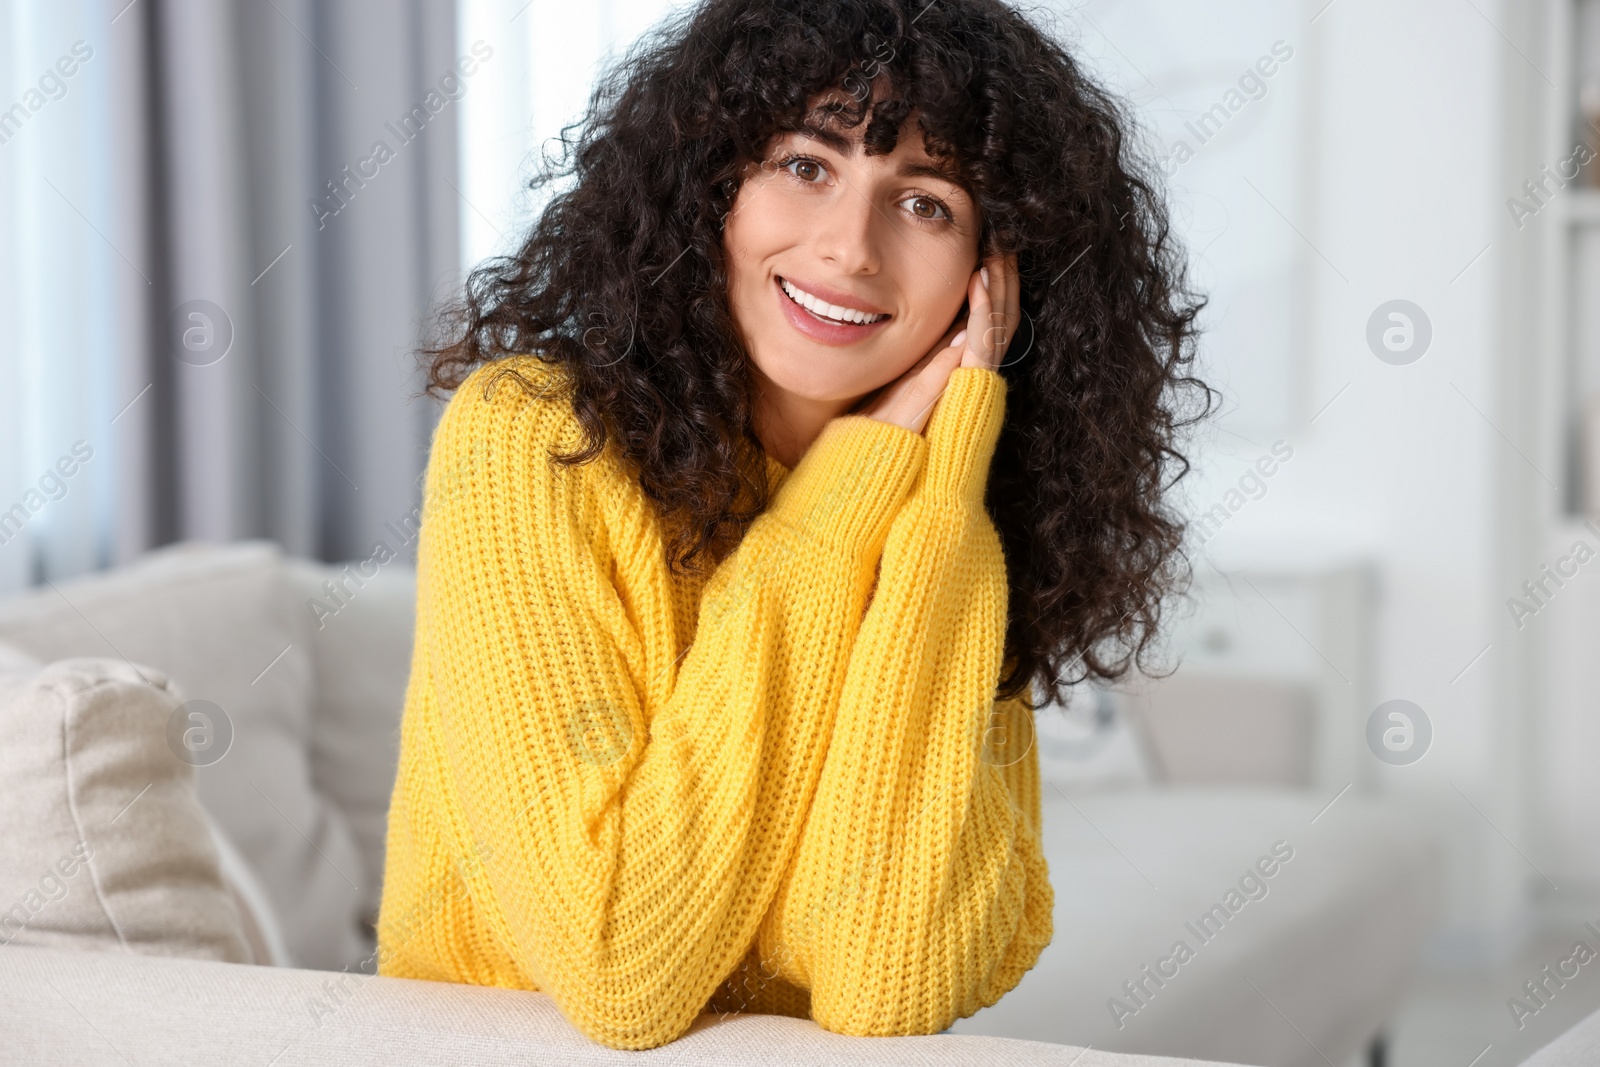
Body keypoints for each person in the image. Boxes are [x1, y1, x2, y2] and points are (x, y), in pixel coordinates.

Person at [376, 0, 1210, 1051]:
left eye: (926, 204)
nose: (849, 249)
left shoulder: (948, 519)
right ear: (710, 188)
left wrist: (940, 488)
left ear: (991, 278)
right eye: (807, 166)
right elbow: (618, 965)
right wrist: (852, 486)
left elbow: (884, 980)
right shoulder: (533, 437)